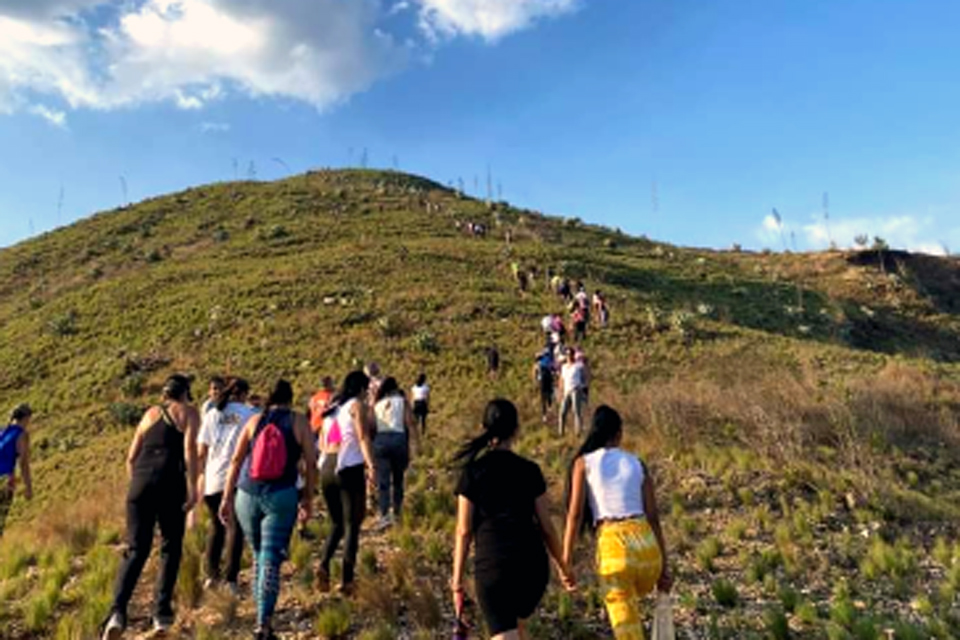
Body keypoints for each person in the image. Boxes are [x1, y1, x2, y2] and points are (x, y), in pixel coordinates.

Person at [452, 399, 575, 640]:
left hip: (493, 566)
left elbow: (464, 531)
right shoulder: (530, 470)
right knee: (517, 628)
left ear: (484, 426)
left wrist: (456, 581)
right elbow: (547, 528)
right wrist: (563, 567)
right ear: (516, 429)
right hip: (532, 566)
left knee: (504, 633)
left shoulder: (473, 473)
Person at [563, 406, 672, 640]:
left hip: (616, 550)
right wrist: (664, 567)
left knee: (627, 630)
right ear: (619, 433)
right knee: (633, 605)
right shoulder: (637, 463)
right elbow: (653, 517)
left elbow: (574, 517)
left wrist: (566, 563)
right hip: (648, 550)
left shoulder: (584, 463)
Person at [103, 375, 199, 639]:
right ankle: (161, 616)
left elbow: (131, 457)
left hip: (140, 484)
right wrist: (193, 489)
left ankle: (117, 614)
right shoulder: (189, 413)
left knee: (136, 550)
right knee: (170, 547)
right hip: (170, 484)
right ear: (186, 393)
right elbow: (190, 451)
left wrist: (138, 486)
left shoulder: (150, 413)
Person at [219, 380, 317, 640]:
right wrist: (308, 498)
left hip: (246, 495)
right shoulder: (298, 422)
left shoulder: (253, 421)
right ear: (290, 398)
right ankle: (263, 624)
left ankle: (261, 618)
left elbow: (236, 460)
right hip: (281, 496)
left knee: (257, 555)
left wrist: (227, 497)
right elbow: (310, 462)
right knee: (270, 560)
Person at [317, 371, 376, 595]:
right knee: (352, 524)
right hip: (348, 467)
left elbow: (322, 442)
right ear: (361, 387)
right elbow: (363, 437)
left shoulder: (332, 409)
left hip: (327, 467)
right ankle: (347, 580)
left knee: (336, 524)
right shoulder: (355, 405)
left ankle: (323, 564)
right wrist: (371, 466)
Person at [197, 378, 254, 594]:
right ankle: (230, 579)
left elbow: (201, 451)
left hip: (213, 478)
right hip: (238, 478)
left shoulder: (212, 414)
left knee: (216, 527)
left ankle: (211, 575)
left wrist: (201, 475)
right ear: (243, 394)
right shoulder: (248, 414)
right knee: (236, 528)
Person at [373, 378, 418, 530]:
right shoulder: (402, 401)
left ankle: (384, 514)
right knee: (398, 479)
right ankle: (397, 512)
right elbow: (410, 422)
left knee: (383, 481)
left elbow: (372, 425)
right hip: (398, 439)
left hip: (380, 440)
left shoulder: (377, 404)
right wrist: (414, 443)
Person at [0, 404, 33, 538]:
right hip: (4, 480)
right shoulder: (21, 434)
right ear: (25, 418)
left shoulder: (2, 431)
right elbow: (23, 463)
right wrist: (28, 487)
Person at [558, 349, 587, 437]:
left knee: (576, 411)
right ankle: (561, 432)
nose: (568, 356)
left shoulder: (578, 366)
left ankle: (578, 432)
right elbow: (561, 380)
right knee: (562, 412)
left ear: (573, 355)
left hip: (575, 390)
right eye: (567, 354)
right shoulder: (564, 367)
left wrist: (582, 386)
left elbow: (584, 376)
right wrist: (560, 391)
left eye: (570, 354)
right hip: (566, 391)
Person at [533, 350, 555, 425]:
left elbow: (534, 372)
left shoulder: (538, 363)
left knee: (543, 397)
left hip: (542, 380)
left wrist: (535, 381)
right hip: (548, 379)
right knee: (549, 395)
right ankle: (549, 409)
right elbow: (553, 369)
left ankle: (544, 415)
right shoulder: (549, 360)